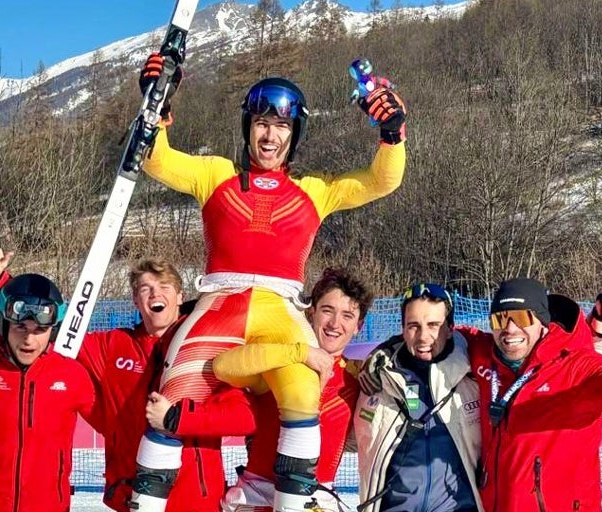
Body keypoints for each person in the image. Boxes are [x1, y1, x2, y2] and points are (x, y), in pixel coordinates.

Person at [130, 51, 408, 512]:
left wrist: (392, 133)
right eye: (261, 122)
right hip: (219, 304)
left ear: (293, 134)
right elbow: (156, 160)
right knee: (172, 398)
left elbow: (383, 180)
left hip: (281, 310)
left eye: (280, 126)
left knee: (304, 392)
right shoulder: (216, 175)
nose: (270, 134)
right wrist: (157, 104)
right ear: (248, 127)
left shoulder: (316, 190)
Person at [360, 278, 602, 512]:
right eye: (500, 319)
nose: (510, 329)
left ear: (542, 323)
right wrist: (389, 348)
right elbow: (437, 335)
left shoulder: (576, 369)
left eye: (522, 319)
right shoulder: (486, 356)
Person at [0, 250, 255, 512]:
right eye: (145, 288)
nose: (155, 293)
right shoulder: (113, 346)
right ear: (135, 300)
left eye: (164, 286)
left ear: (180, 296)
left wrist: (175, 418)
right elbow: (53, 329)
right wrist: (1, 283)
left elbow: (243, 417)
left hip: (195, 500)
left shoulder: (205, 350)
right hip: (134, 496)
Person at [207, 268, 373, 512]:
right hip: (255, 500)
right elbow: (222, 366)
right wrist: (300, 353)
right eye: (327, 310)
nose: (335, 324)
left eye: (347, 315)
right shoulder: (280, 360)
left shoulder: (357, 380)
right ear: (311, 312)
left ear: (358, 326)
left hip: (316, 501)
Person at [0, 272, 94, 512]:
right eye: (20, 327)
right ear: (5, 324)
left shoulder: (72, 375)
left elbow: (115, 427)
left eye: (39, 329)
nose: (29, 339)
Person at [351, 283, 483, 512]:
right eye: (414, 326)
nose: (423, 337)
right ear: (402, 329)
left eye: (434, 325)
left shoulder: (473, 376)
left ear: (451, 328)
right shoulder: (377, 380)